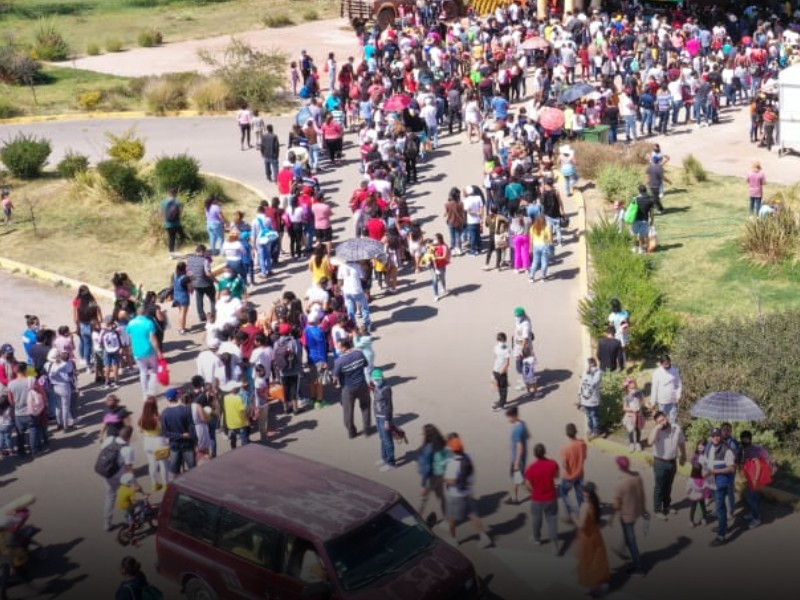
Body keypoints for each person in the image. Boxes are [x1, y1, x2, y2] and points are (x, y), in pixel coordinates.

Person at [443, 434, 493, 548]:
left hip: (455, 495)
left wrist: (444, 478)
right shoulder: (470, 457)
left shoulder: (452, 464)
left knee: (452, 518)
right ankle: (484, 537)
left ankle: (453, 539)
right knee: (473, 515)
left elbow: (452, 481)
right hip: (468, 492)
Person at [647, 410, 687, 520]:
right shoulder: (657, 431)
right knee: (659, 487)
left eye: (663, 420)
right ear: (656, 423)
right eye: (659, 422)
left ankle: (667, 506)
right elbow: (650, 442)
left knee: (668, 486)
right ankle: (657, 510)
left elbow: (681, 443)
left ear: (667, 417)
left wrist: (683, 456)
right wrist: (656, 428)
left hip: (672, 462)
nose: (663, 423)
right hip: (660, 462)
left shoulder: (676, 428)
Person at [611, 456, 647, 576]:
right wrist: (644, 509)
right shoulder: (637, 476)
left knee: (631, 540)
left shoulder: (621, 483)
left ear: (620, 467)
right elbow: (642, 495)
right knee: (628, 534)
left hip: (626, 516)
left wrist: (611, 517)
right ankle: (621, 549)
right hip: (636, 511)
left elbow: (616, 504)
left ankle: (639, 567)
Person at [573, 482, 610, 597]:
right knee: (597, 558)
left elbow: (581, 525)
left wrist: (573, 517)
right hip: (595, 533)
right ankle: (600, 581)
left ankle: (594, 587)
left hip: (587, 536)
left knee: (588, 561)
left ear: (586, 493)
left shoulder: (585, 506)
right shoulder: (595, 501)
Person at [332, 336, 371, 439]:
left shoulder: (339, 361)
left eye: (339, 347)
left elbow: (335, 377)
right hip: (362, 385)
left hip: (348, 388)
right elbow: (366, 364)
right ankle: (367, 428)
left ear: (344, 347)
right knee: (365, 407)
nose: (337, 348)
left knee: (348, 412)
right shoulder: (359, 353)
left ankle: (351, 432)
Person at [524, 443, 560, 554]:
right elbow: (557, 476)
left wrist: (533, 491)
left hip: (537, 499)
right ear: (545, 452)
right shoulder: (552, 464)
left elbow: (527, 485)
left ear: (535, 454)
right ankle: (554, 544)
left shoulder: (531, 469)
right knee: (552, 521)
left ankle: (536, 538)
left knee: (536, 520)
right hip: (551, 497)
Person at [703, 427, 736, 546]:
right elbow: (706, 461)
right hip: (712, 481)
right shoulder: (709, 446)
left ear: (721, 436)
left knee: (720, 508)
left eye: (717, 435)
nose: (715, 438)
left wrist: (715, 472)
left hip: (721, 483)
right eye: (713, 435)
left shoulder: (727, 450)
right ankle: (724, 526)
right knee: (719, 507)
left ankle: (721, 535)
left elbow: (732, 468)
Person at [100, 425, 135, 532]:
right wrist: (134, 483)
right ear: (129, 437)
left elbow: (102, 450)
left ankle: (107, 523)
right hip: (121, 477)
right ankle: (129, 519)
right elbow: (129, 468)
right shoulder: (128, 449)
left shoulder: (110, 439)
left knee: (110, 497)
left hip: (107, 474)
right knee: (129, 496)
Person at [160, 388, 196, 479]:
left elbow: (165, 433)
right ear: (177, 397)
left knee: (174, 473)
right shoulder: (186, 410)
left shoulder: (164, 414)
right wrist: (194, 441)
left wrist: (179, 436)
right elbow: (192, 429)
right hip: (187, 445)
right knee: (194, 470)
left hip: (174, 446)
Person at [126, 307, 162, 398]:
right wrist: (158, 351)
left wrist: (130, 347)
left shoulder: (131, 323)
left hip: (137, 351)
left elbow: (129, 337)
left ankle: (145, 394)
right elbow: (153, 339)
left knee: (143, 371)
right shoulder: (149, 323)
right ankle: (151, 390)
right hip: (150, 350)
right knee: (154, 370)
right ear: (145, 313)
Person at [417, 423, 450, 521]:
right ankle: (448, 517)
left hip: (431, 478)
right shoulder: (441, 443)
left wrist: (423, 485)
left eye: (423, 434)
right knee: (441, 497)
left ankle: (417, 518)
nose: (421, 435)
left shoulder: (428, 448)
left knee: (423, 499)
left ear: (428, 436)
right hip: (440, 475)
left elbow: (426, 468)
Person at [138, 396, 169, 493]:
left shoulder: (142, 417)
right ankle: (165, 485)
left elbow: (140, 430)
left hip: (147, 442)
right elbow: (163, 430)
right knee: (163, 465)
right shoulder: (157, 418)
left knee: (152, 465)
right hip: (158, 441)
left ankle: (154, 484)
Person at [560, 423, 587, 517]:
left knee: (563, 492)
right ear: (576, 432)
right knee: (580, 495)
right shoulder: (582, 444)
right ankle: (582, 514)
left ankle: (571, 510)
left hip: (569, 476)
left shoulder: (565, 448)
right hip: (580, 474)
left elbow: (565, 465)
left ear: (567, 434)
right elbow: (584, 457)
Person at [372, 369, 395, 472]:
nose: (377, 381)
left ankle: (391, 462)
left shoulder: (386, 389)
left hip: (384, 418)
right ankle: (384, 458)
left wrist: (387, 421)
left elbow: (389, 406)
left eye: (378, 379)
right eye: (375, 379)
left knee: (388, 440)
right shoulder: (376, 387)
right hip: (378, 416)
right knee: (382, 438)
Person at [186, 245, 217, 324]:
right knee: (213, 299)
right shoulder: (205, 260)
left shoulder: (189, 259)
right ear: (202, 251)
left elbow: (188, 271)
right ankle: (213, 315)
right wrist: (215, 280)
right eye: (205, 251)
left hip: (195, 283)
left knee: (199, 299)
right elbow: (208, 273)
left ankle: (201, 316)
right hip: (206, 283)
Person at [649, 354, 682, 425]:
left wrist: (678, 396)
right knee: (663, 421)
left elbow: (678, 384)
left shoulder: (675, 370)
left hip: (673, 400)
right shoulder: (657, 373)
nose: (666, 365)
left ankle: (673, 435)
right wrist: (652, 402)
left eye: (667, 363)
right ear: (661, 364)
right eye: (664, 364)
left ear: (670, 361)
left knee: (673, 420)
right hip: (662, 401)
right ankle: (664, 435)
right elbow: (654, 388)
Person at [506, 406, 529, 505]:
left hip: (518, 459)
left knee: (520, 481)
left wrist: (516, 462)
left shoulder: (517, 430)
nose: (508, 419)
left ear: (514, 416)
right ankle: (514, 498)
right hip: (520, 458)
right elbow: (528, 435)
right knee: (517, 479)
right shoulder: (522, 424)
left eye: (509, 417)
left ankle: (538, 495)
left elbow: (520, 447)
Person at [579, 358, 602, 439]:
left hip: (593, 400)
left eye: (589, 365)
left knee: (594, 416)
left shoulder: (598, 373)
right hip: (586, 400)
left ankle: (596, 431)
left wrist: (589, 374)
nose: (588, 367)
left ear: (593, 364)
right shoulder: (585, 372)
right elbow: (581, 384)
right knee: (589, 416)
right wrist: (579, 396)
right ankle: (591, 429)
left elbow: (593, 383)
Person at [511, 307, 534, 391]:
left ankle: (526, 383)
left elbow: (525, 339)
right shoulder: (521, 319)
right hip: (518, 343)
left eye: (518, 316)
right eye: (515, 316)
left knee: (521, 366)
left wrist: (521, 350)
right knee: (522, 365)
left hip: (523, 347)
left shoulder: (525, 324)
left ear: (522, 315)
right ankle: (526, 379)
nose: (516, 317)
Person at [630, 184, 655, 255]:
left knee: (634, 234)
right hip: (645, 220)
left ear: (639, 191)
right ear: (646, 191)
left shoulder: (635, 199)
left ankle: (635, 248)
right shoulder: (650, 200)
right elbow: (652, 213)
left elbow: (631, 209)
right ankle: (641, 249)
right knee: (641, 235)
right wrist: (652, 221)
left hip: (636, 220)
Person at [161, 188, 186, 257]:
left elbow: (162, 213)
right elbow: (181, 213)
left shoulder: (163, 202)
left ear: (168, 194)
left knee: (171, 238)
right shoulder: (179, 203)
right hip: (177, 223)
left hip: (168, 224)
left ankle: (171, 255)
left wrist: (164, 221)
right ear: (175, 194)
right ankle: (177, 249)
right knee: (182, 237)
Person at [622, 378, 644, 452]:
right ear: (627, 388)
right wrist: (632, 409)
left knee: (638, 429)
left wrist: (641, 407)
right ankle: (631, 443)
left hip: (638, 414)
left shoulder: (639, 394)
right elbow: (624, 408)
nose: (632, 390)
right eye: (630, 388)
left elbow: (642, 402)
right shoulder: (626, 396)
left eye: (634, 388)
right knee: (630, 430)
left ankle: (638, 443)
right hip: (630, 415)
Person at [491, 332, 511, 412]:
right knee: (503, 388)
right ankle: (502, 402)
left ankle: (502, 403)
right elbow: (507, 363)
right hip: (501, 371)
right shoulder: (507, 349)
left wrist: (496, 370)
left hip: (496, 370)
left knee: (501, 387)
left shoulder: (496, 347)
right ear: (505, 339)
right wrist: (502, 371)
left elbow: (496, 358)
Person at [686, 463, 709, 527]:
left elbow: (688, 489)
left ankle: (691, 521)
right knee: (703, 508)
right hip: (701, 496)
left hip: (693, 497)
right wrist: (706, 495)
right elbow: (706, 487)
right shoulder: (703, 479)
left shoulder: (690, 480)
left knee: (693, 509)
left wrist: (687, 492)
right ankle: (704, 519)